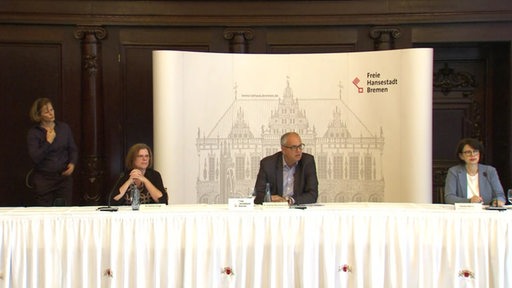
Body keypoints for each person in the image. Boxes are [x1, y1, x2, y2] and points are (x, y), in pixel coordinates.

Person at [27, 98, 78, 206]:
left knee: (64, 212)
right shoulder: (34, 133)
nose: (51, 113)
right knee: (45, 214)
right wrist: (48, 142)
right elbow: (35, 157)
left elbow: (72, 148)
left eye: (52, 109)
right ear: (39, 115)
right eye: (46, 112)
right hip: (44, 180)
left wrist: (72, 163)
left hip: (63, 179)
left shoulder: (64, 128)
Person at [253, 132, 319, 205]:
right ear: (283, 149)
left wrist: (290, 200)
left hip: (298, 210)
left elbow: (313, 195)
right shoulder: (268, 164)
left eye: (300, 146)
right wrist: (270, 198)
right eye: (294, 147)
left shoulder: (307, 162)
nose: (299, 150)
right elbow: (258, 195)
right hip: (274, 211)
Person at [444, 138, 506, 206]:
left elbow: (500, 195)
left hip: (486, 212)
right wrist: (469, 201)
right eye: (468, 152)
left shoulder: (490, 171)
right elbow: (449, 198)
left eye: (475, 151)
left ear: (479, 154)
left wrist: (497, 201)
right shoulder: (454, 172)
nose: (472, 155)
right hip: (463, 211)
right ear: (461, 156)